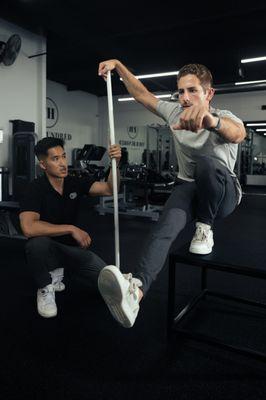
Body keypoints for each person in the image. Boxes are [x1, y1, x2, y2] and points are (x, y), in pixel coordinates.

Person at [97, 59, 246, 329]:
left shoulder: (225, 117)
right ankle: (136, 293)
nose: (185, 98)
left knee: (206, 162)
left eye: (193, 91)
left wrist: (210, 121)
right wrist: (118, 66)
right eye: (181, 91)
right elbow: (141, 94)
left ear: (208, 94)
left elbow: (238, 133)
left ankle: (205, 226)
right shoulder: (174, 112)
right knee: (164, 228)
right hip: (187, 187)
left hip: (223, 195)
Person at [19, 137, 121, 318]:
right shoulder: (35, 188)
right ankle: (45, 287)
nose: (63, 163)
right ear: (43, 165)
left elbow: (109, 189)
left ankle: (57, 271)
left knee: (109, 284)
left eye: (64, 156)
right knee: (36, 244)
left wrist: (115, 165)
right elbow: (28, 227)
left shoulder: (74, 182)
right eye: (55, 159)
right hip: (48, 249)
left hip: (72, 252)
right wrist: (71, 228)